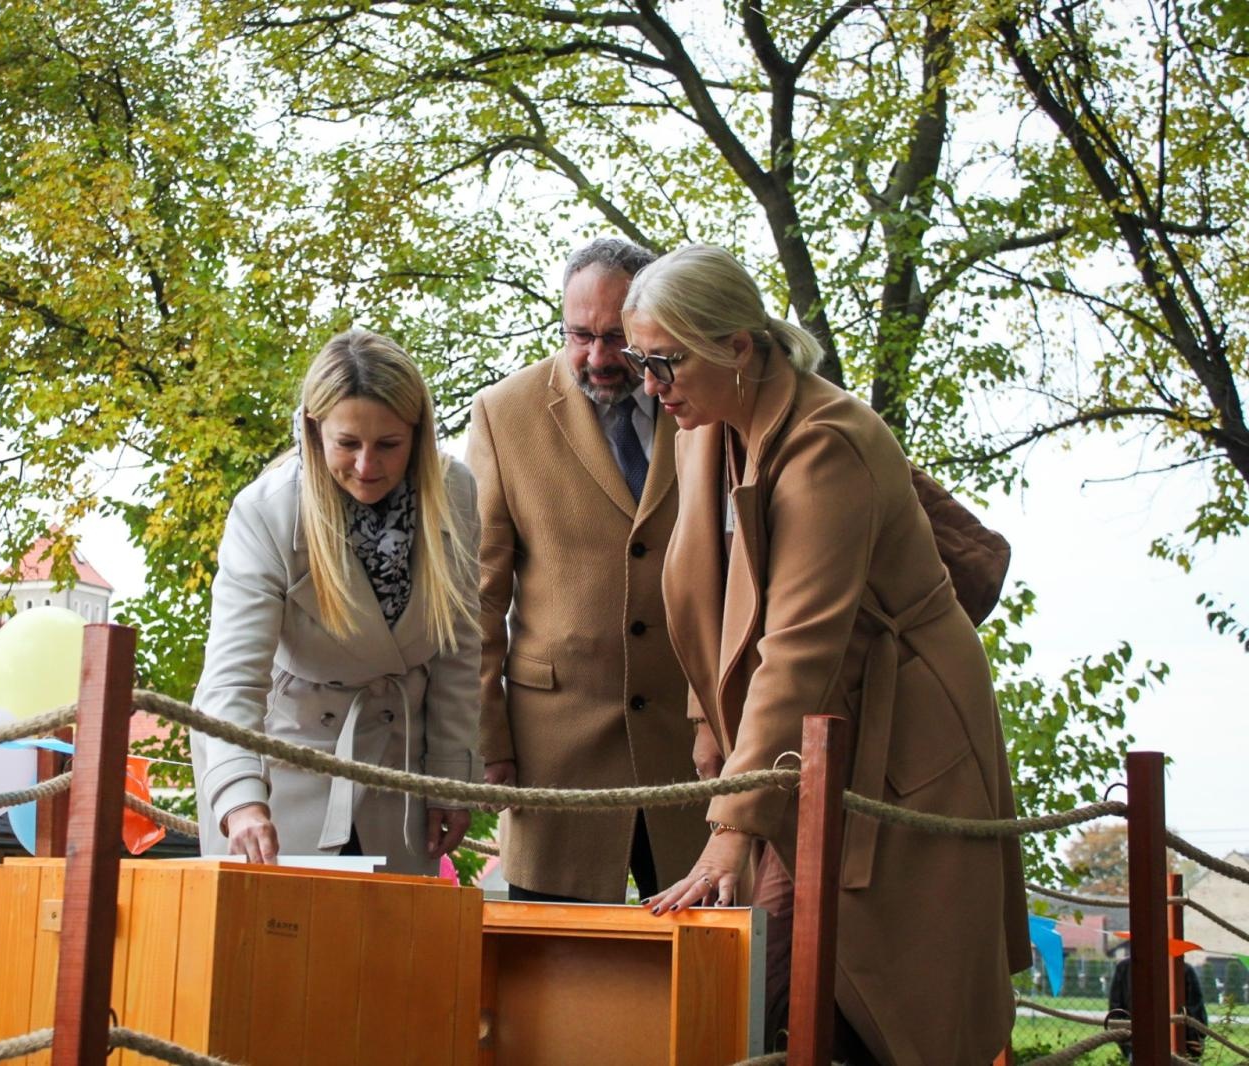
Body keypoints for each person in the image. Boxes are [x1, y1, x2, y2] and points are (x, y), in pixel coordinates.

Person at [629, 245, 1031, 1064]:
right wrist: (707, 718)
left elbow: (799, 645)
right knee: (774, 985)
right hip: (788, 745)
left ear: (738, 346)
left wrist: (731, 828)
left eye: (665, 362)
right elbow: (705, 595)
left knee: (892, 991)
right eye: (642, 362)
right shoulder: (701, 426)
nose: (650, 386)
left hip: (900, 738)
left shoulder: (827, 441)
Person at [467, 238, 709, 903]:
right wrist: (489, 740)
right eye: (579, 335)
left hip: (692, 749)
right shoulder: (501, 413)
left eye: (615, 338)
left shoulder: (704, 402)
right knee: (551, 983)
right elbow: (480, 597)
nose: (597, 358)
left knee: (705, 977)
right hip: (555, 754)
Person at [190, 329, 482, 874]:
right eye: (347, 444)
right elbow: (232, 679)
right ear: (312, 430)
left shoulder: (456, 493)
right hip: (285, 767)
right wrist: (240, 796)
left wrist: (449, 779)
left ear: (418, 436)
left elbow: (458, 651)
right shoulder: (265, 512)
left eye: (389, 445)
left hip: (398, 769)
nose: (368, 466)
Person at [1108, 953, 1208, 1060]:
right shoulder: (1184, 969)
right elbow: (1196, 1012)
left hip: (1138, 1045)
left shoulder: (1124, 968)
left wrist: (1127, 1046)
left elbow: (1116, 1010)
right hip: (1172, 1046)